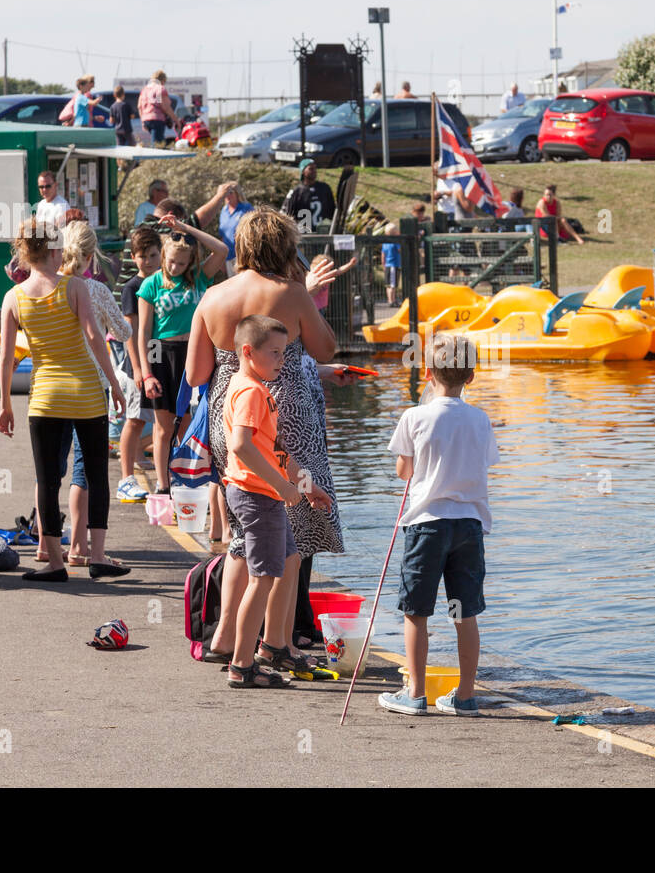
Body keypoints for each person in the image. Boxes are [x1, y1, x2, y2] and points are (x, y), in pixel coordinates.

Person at [185, 209, 355, 667]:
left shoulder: (213, 296)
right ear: (284, 248)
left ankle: (224, 636)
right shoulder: (290, 293)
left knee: (247, 533)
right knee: (290, 538)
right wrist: (305, 298)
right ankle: (277, 643)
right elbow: (326, 348)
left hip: (229, 418)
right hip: (285, 422)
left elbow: (196, 373)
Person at [0, 218, 128, 582]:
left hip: (45, 398)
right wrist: (115, 385)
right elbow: (95, 338)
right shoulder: (75, 287)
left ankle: (54, 563)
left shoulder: (14, 298)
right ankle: (97, 555)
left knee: (47, 479)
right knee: (97, 474)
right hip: (85, 392)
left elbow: (6, 356)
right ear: (56, 250)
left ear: (24, 255)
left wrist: (5, 403)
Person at [378, 334, 499, 717]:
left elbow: (404, 471)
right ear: (472, 377)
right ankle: (464, 695)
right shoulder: (481, 419)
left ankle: (415, 693)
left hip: (427, 526)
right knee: (464, 612)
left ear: (427, 373)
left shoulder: (414, 416)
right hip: (468, 526)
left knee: (417, 612)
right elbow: (484, 462)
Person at [220, 315, 333, 688]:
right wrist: (282, 489)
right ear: (248, 352)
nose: (281, 361)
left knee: (290, 559)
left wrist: (305, 484)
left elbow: (275, 450)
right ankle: (242, 664)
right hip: (256, 495)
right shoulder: (252, 392)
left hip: (261, 491)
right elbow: (241, 446)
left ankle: (273, 646)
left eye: (284, 353)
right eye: (275, 353)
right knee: (264, 577)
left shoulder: (248, 384)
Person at [137, 215, 229, 495]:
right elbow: (142, 332)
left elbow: (222, 251)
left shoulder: (198, 276)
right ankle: (163, 484)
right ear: (163, 256)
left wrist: (185, 229)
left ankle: (190, 481)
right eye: (171, 261)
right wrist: (146, 373)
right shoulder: (151, 285)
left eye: (182, 263)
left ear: (190, 262)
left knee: (190, 422)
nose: (175, 267)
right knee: (164, 426)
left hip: (194, 351)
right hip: (162, 354)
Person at [60, 222, 131, 565]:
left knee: (60, 468)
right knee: (88, 468)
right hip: (92, 385)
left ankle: (67, 545)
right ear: (91, 256)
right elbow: (124, 329)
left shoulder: (52, 287)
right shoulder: (97, 291)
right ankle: (83, 547)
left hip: (55, 385)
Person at [114, 226, 160, 503]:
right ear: (134, 257)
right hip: (137, 366)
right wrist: (139, 369)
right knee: (134, 419)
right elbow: (129, 332)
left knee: (159, 422)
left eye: (153, 255)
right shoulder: (133, 287)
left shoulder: (165, 282)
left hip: (160, 362)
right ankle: (125, 478)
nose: (149, 260)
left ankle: (165, 477)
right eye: (143, 256)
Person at [281, 159, 335, 233]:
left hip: (323, 233)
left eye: (315, 168)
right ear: (303, 171)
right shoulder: (296, 192)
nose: (314, 171)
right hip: (304, 235)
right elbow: (287, 215)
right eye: (311, 169)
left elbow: (332, 211)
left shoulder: (324, 188)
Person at [217, 184, 255, 269]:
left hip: (243, 257)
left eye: (230, 192)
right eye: (225, 193)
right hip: (228, 258)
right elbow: (222, 235)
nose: (227, 195)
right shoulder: (224, 211)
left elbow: (255, 233)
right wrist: (221, 259)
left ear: (237, 193)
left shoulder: (247, 208)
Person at [138, 70, 177, 145]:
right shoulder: (160, 88)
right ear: (162, 80)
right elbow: (165, 107)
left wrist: (143, 121)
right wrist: (176, 120)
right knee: (158, 144)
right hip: (157, 119)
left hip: (146, 120)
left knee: (157, 140)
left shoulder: (145, 89)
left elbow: (139, 106)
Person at [381, 228, 402, 306]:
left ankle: (390, 300)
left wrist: (383, 265)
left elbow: (383, 255)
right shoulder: (395, 242)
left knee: (388, 285)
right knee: (393, 284)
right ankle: (392, 301)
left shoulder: (385, 243)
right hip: (394, 265)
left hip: (387, 265)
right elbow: (400, 250)